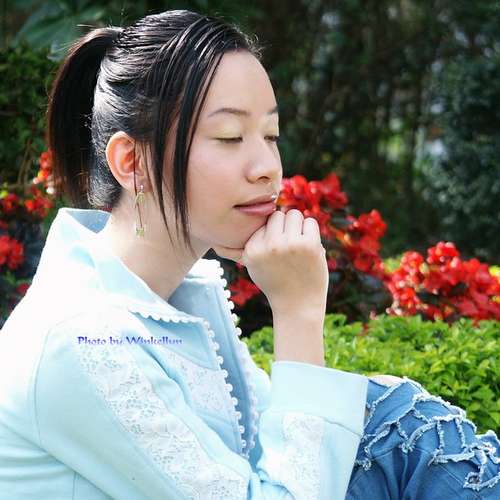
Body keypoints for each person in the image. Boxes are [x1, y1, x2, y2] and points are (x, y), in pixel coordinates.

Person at [0, 9, 497, 500]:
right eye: (230, 137)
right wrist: (298, 310)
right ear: (133, 163)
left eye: (271, 135)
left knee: (393, 421)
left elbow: (276, 453)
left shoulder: (175, 296)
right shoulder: (83, 340)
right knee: (397, 429)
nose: (267, 168)